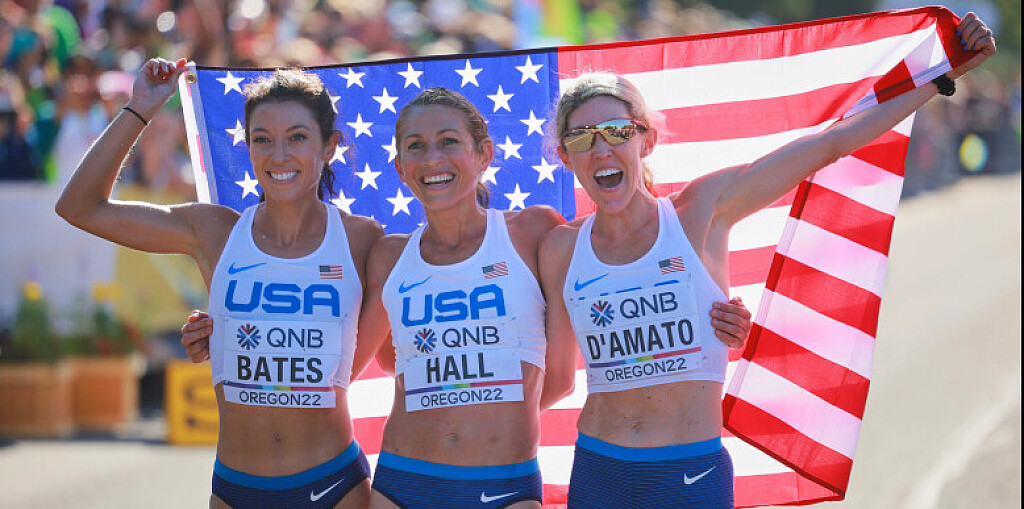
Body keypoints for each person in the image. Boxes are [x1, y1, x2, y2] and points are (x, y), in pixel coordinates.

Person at [181, 86, 753, 508]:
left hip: (506, 485)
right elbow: (341, 364)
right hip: (401, 483)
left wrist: (711, 314)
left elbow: (607, 294)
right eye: (416, 147)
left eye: (449, 142)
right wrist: (227, 328)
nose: (433, 159)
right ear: (400, 168)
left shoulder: (535, 233)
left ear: (484, 154)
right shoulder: (389, 255)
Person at [539, 12, 997, 508]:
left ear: (645, 139)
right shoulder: (561, 249)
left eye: (615, 131)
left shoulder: (703, 210)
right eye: (582, 138)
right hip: (599, 470)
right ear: (565, 157)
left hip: (688, 472)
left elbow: (830, 145)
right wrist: (479, 436)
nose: (601, 149)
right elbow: (558, 378)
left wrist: (941, 74)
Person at [56, 59, 384, 508]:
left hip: (332, 484)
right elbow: (79, 207)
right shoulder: (215, 231)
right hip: (236, 487)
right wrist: (141, 108)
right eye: (262, 139)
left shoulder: (363, 240)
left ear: (328, 147)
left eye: (297, 137)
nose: (278, 154)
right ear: (247, 147)